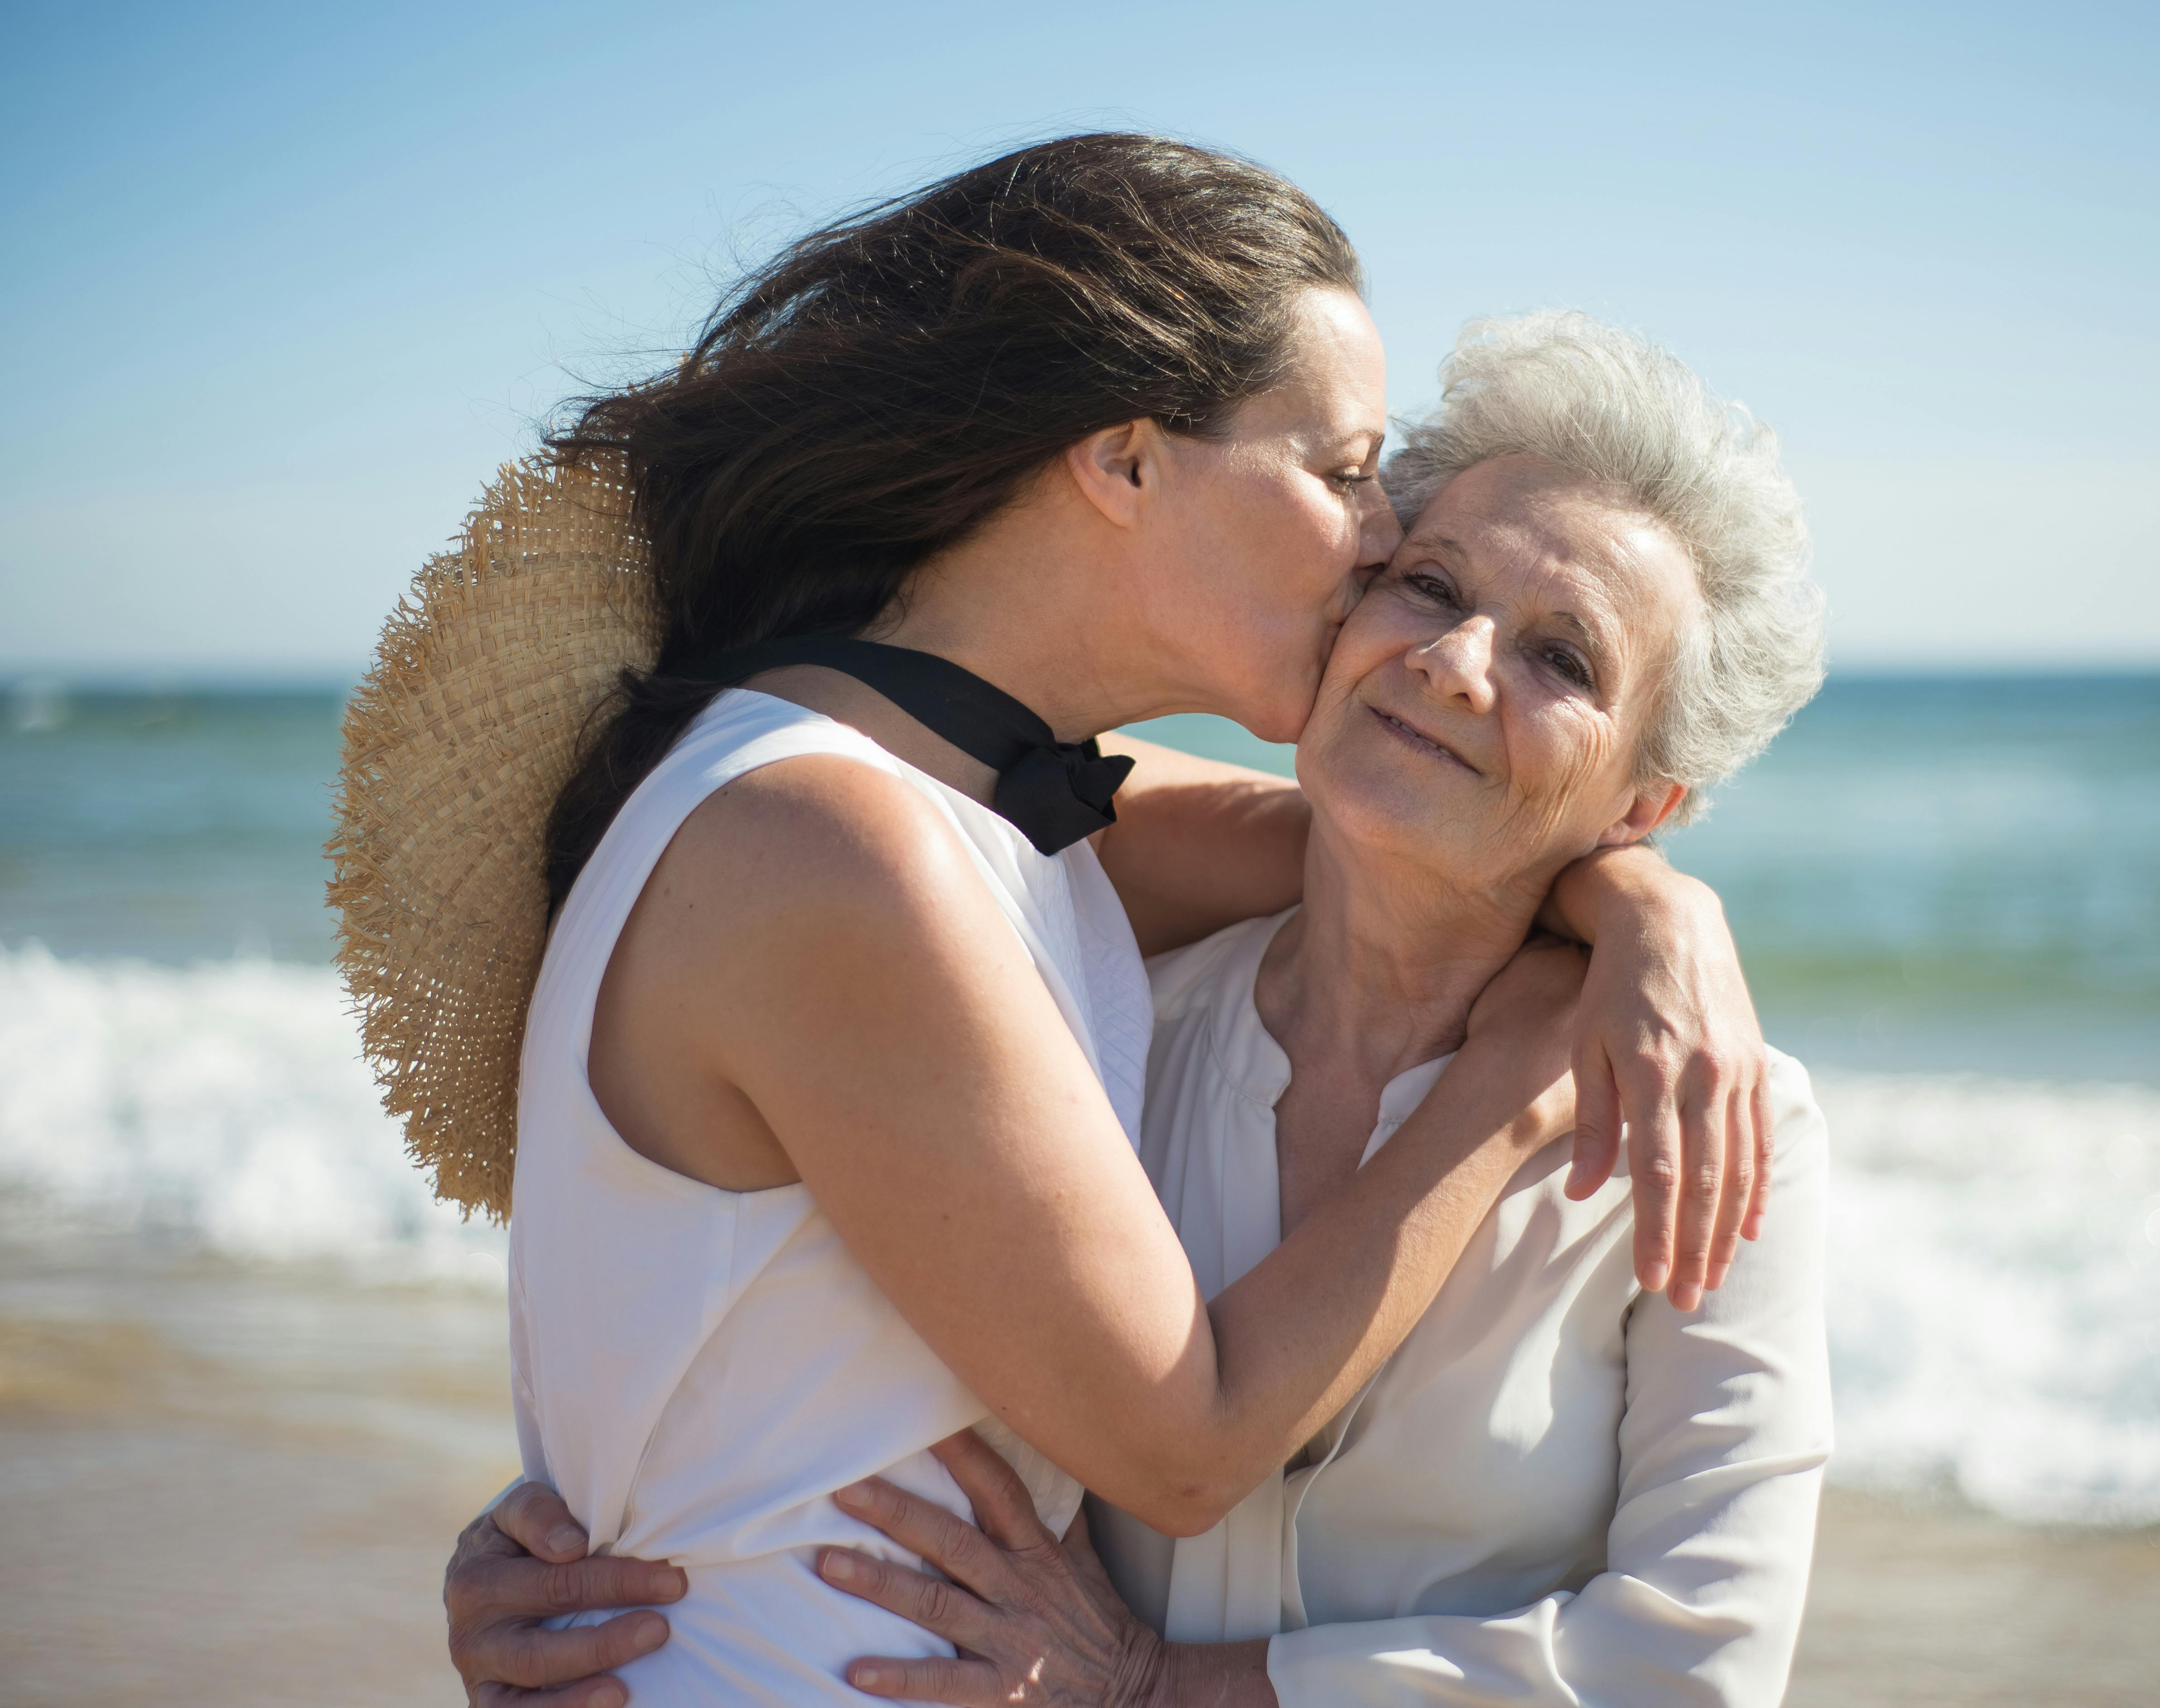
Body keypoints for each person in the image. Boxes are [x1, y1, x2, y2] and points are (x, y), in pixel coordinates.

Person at [446, 140, 1782, 1705]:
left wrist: (1644, 902)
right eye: (1345, 473)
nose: (1371, 542)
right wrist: (1514, 1077)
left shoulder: (972, 793)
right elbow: (1186, 1438)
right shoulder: (837, 839)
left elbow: (1403, 835)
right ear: (1128, 461)